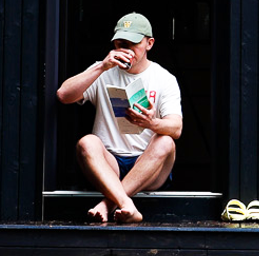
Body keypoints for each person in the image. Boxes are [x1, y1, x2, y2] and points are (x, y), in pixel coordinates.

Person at [56, 12, 182, 224]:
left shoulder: (164, 78)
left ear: (149, 44)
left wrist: (152, 123)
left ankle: (109, 203)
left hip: (148, 165)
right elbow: (63, 95)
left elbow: (176, 128)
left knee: (166, 141)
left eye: (133, 44)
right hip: (110, 163)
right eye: (120, 44)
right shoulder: (103, 69)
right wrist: (102, 66)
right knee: (87, 143)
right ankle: (127, 205)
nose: (126, 50)